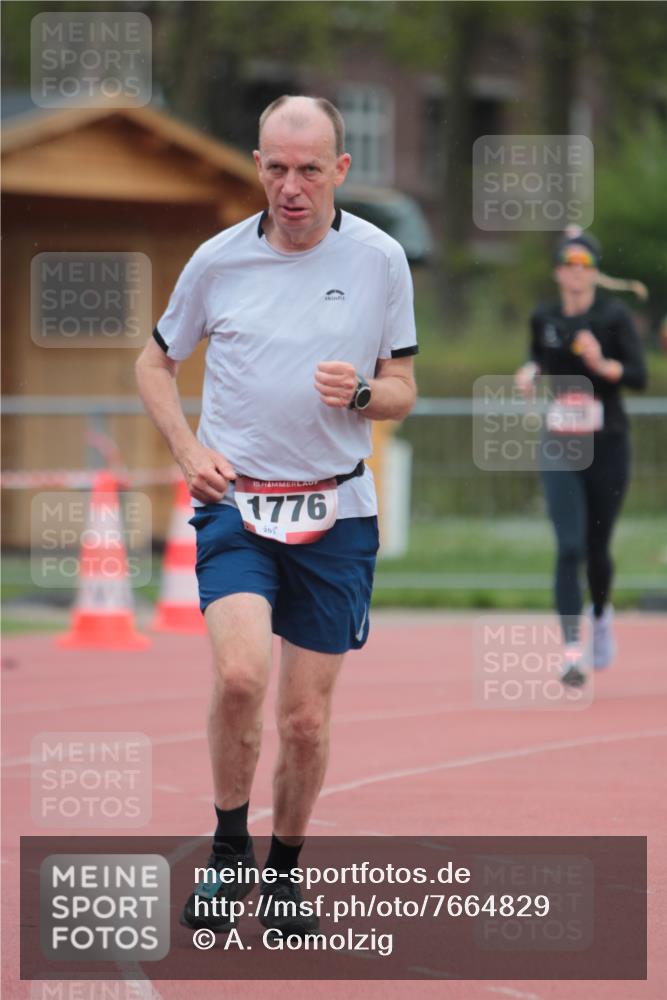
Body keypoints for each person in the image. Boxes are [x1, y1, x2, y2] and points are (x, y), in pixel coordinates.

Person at [135, 95, 418, 935]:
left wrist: (363, 393)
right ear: (257, 166)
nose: (291, 187)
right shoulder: (217, 260)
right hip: (237, 505)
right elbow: (153, 364)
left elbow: (402, 389)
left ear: (340, 170)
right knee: (239, 677)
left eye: (309, 170)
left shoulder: (380, 260)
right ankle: (229, 855)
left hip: (337, 510)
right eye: (276, 168)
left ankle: (284, 875)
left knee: (302, 719)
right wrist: (188, 451)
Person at [514, 230, 647, 687]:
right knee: (569, 546)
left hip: (608, 443)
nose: (576, 271)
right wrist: (530, 371)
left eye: (584, 264)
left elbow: (638, 376)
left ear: (595, 272)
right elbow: (537, 356)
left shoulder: (613, 316)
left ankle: (602, 615)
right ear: (558, 272)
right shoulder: (544, 317)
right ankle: (572, 652)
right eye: (569, 263)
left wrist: (602, 363)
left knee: (596, 548)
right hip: (561, 442)